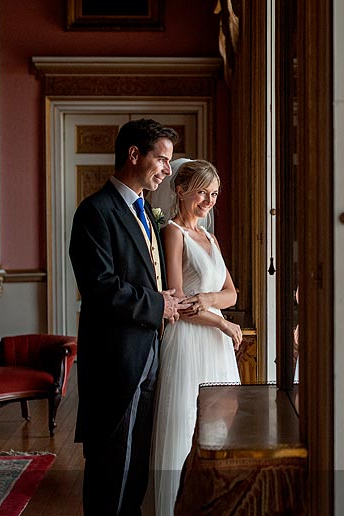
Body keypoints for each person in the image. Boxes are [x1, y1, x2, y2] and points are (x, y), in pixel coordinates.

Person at [69, 118, 189, 516]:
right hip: (114, 360)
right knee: (111, 466)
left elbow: (142, 275)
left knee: (137, 462)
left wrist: (165, 298)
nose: (167, 170)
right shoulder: (95, 212)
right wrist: (159, 306)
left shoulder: (146, 213)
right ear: (134, 155)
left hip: (149, 350)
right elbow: (100, 286)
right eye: (162, 159)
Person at [150, 159, 243, 516]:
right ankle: (175, 506)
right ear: (180, 190)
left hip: (217, 343)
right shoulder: (173, 232)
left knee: (220, 423)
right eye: (202, 191)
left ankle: (214, 503)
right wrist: (222, 322)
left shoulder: (211, 237)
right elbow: (176, 300)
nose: (209, 200)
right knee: (186, 421)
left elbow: (232, 294)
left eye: (214, 193)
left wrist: (208, 301)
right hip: (189, 339)